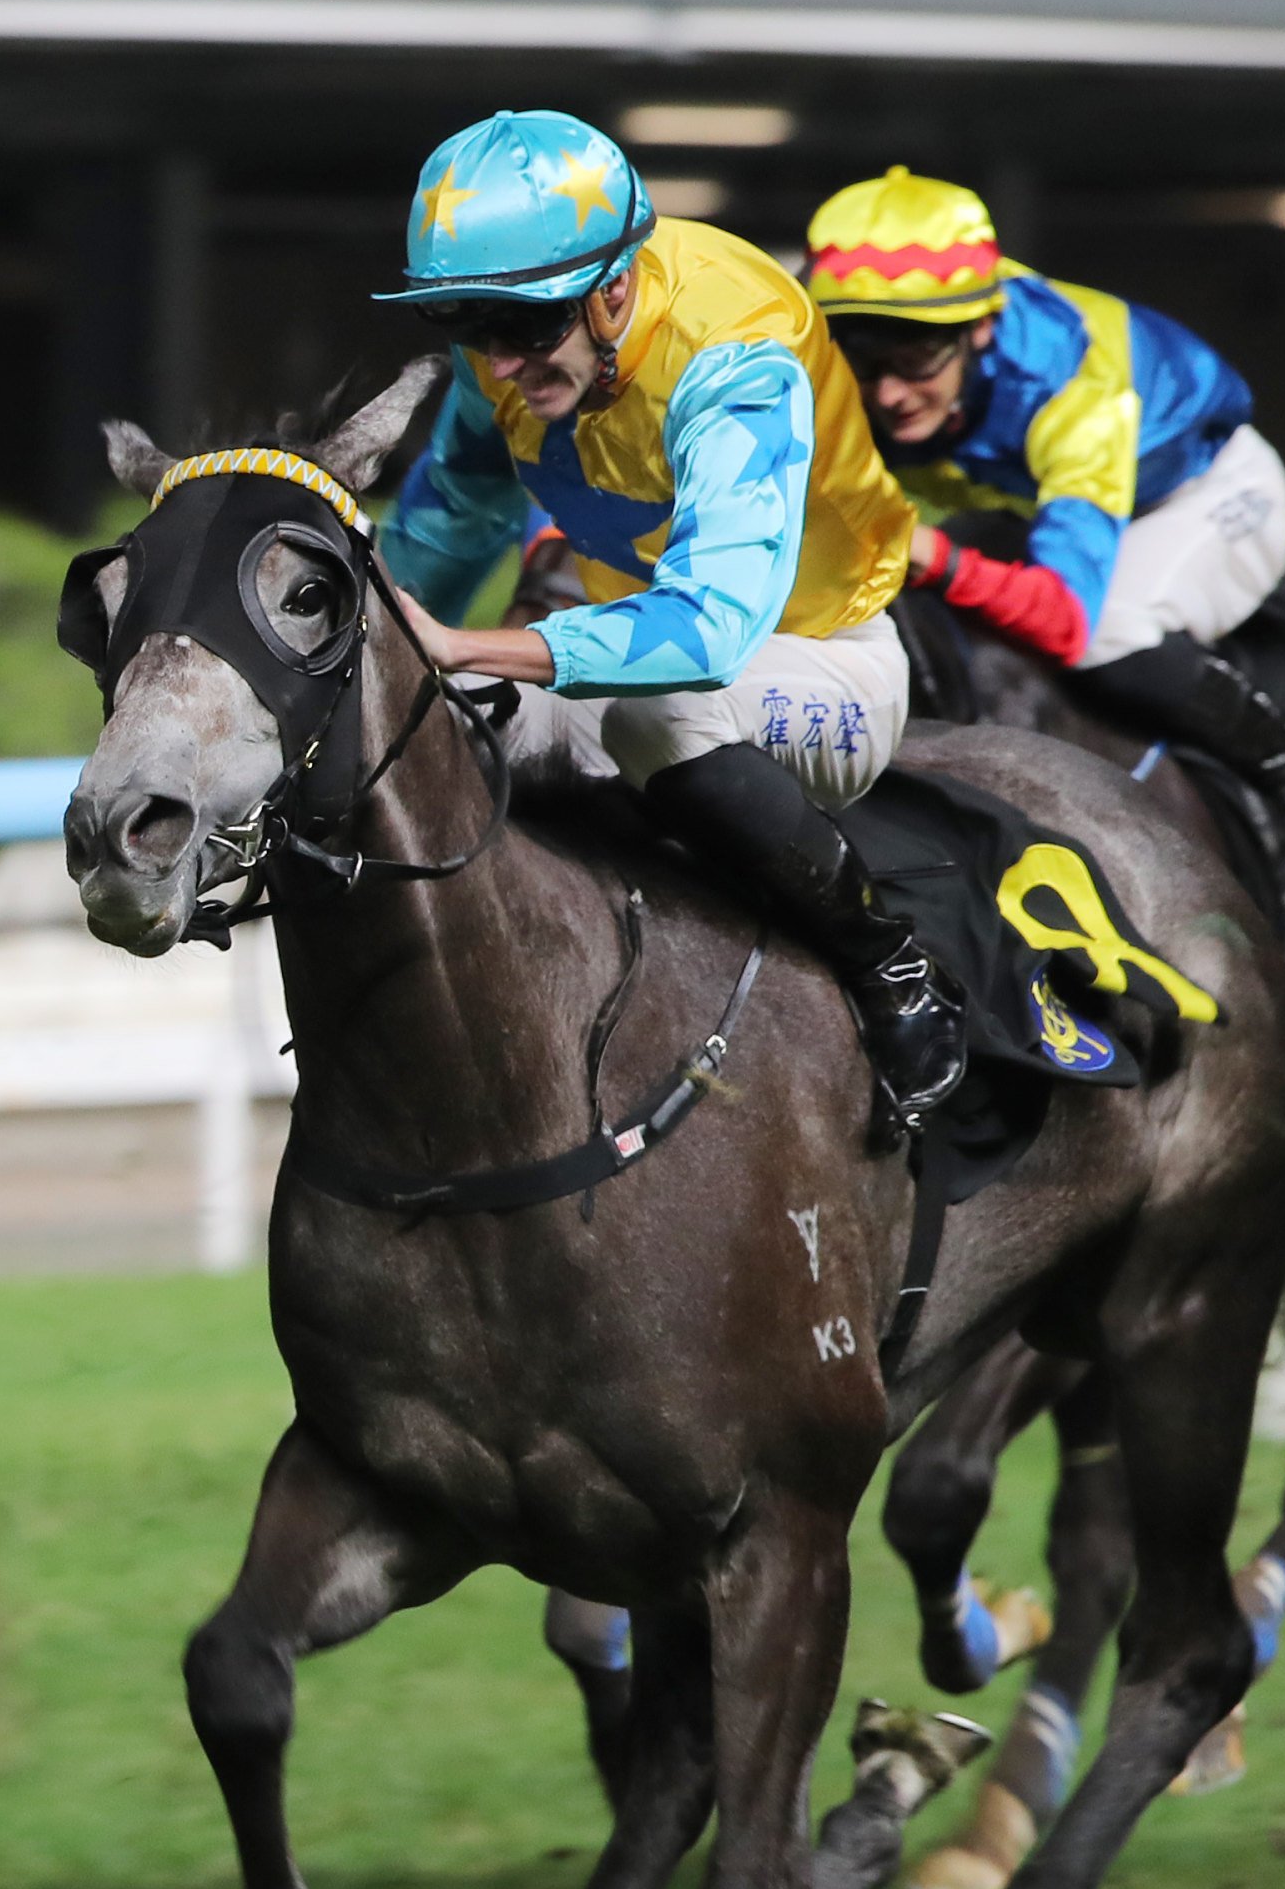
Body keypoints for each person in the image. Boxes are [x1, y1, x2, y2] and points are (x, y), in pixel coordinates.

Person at [380, 110, 961, 1135]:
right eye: (467, 327)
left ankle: (895, 969)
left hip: (822, 663)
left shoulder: (736, 352)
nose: (497, 365)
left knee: (663, 719)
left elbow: (707, 634)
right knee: (440, 724)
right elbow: (444, 531)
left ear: (613, 289)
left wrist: (475, 644)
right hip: (628, 647)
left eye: (518, 328)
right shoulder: (512, 353)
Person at [803, 167, 1285, 828]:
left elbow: (1062, 621)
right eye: (862, 358)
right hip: (1034, 502)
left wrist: (934, 555)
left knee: (1109, 635)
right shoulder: (838, 365)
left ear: (981, 326)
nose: (889, 393)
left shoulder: (1073, 390)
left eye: (918, 356)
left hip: (1202, 493)